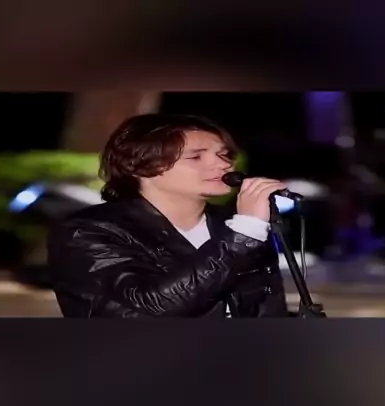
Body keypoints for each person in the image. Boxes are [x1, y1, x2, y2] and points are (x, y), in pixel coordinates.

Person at [47, 113, 291, 318]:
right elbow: (156, 305)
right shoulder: (88, 231)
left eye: (224, 154)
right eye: (196, 156)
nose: (223, 164)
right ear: (140, 166)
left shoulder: (235, 228)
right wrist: (245, 232)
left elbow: (269, 310)